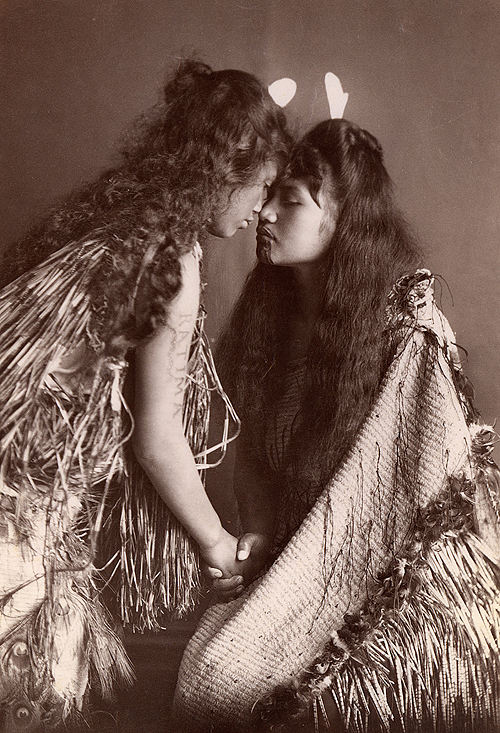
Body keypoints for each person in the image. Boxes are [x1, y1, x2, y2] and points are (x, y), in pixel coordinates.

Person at [173, 118, 500, 732]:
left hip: (390, 586)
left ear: (342, 218)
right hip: (295, 563)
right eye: (267, 196)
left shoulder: (406, 326)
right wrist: (262, 534)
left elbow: (419, 486)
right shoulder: (268, 313)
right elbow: (258, 460)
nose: (265, 213)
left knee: (226, 683)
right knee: (206, 677)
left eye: (290, 200)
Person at [0, 59, 289, 730]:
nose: (262, 211)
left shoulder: (116, 221)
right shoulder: (172, 258)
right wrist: (217, 543)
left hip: (23, 495)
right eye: (263, 186)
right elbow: (157, 439)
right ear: (225, 170)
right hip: (18, 508)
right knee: (36, 692)